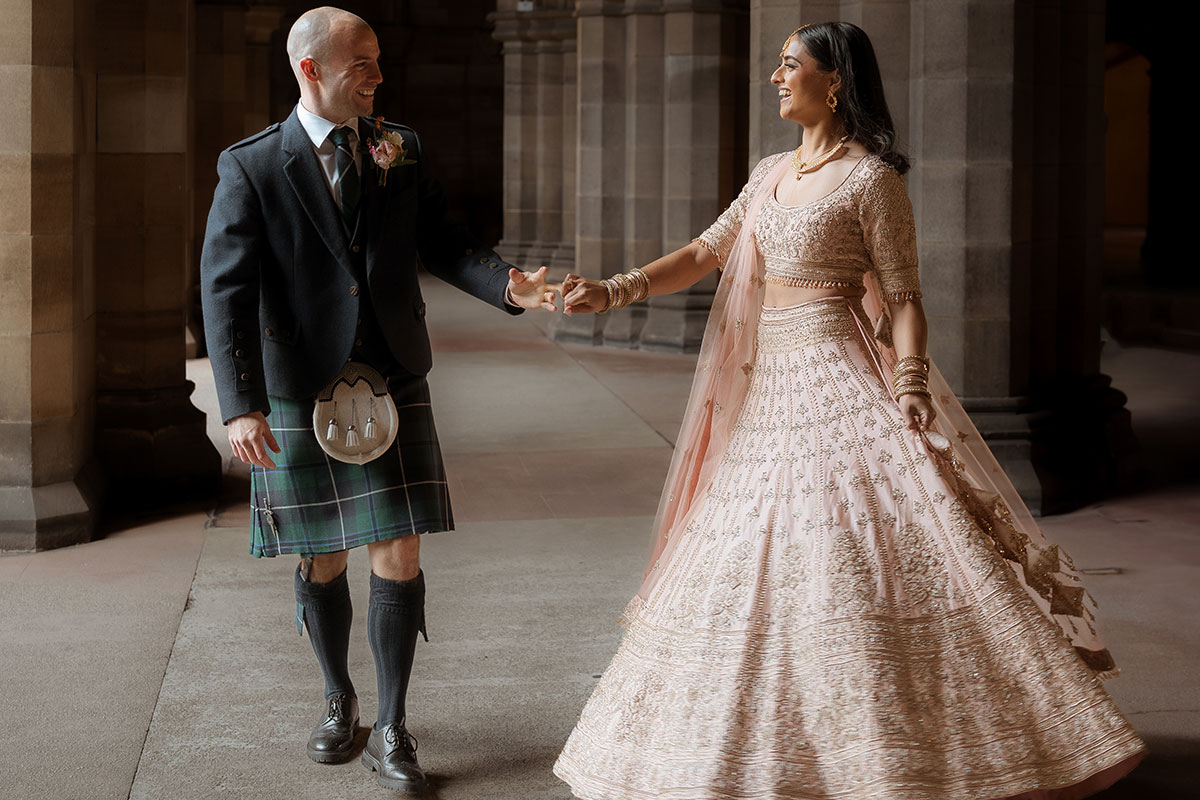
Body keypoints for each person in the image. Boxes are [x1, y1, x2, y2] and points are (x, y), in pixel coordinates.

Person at [553, 21, 1145, 800]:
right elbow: (705, 253)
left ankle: (916, 745)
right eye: (777, 64)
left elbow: (902, 299)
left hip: (839, 375)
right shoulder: (768, 174)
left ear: (833, 82)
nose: (775, 77)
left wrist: (907, 382)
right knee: (752, 546)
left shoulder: (872, 181)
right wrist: (615, 289)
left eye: (790, 65)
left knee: (863, 541)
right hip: (772, 391)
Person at [199, 7, 557, 795]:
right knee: (322, 556)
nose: (378, 75)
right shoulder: (253, 166)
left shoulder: (399, 148)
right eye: (361, 62)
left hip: (392, 375)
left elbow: (447, 244)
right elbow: (224, 291)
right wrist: (239, 404)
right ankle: (339, 700)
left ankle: (392, 724)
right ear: (311, 70)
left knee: (399, 549)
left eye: (378, 60)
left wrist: (508, 286)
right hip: (300, 384)